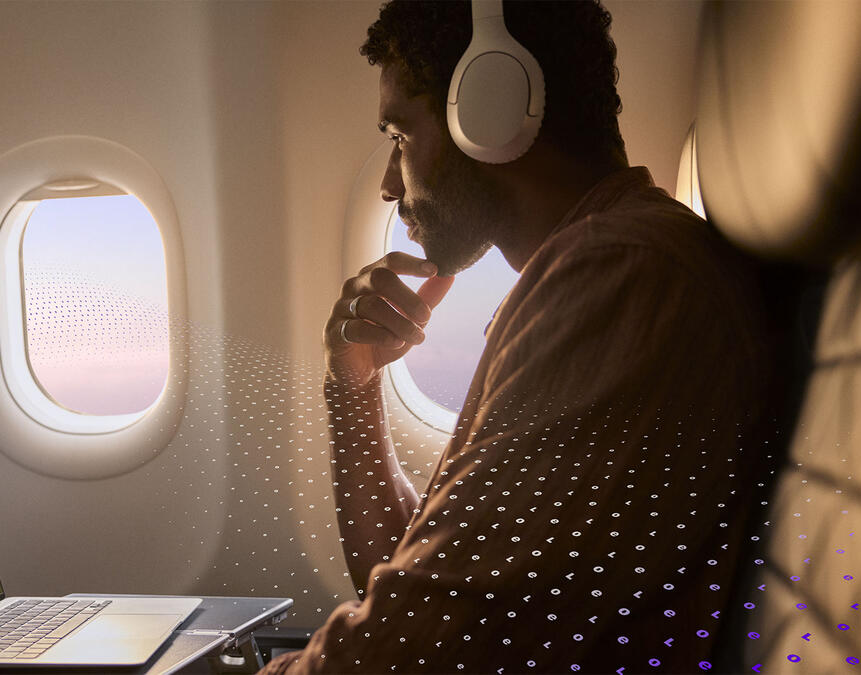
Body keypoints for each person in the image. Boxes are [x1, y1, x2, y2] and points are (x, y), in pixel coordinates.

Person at [261, 1, 779, 673]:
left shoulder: (619, 278)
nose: (390, 183)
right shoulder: (588, 273)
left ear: (489, 107)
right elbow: (415, 579)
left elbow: (410, 653)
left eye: (400, 137)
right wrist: (353, 383)